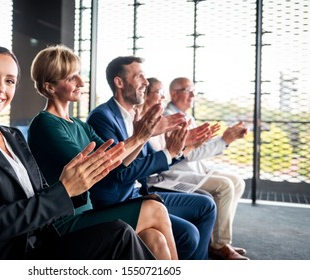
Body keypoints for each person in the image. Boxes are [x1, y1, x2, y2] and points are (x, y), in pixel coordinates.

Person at [0, 45, 156, 260]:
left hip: (39, 240)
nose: (0, 88)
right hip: (9, 254)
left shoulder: (12, 136)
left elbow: (40, 192)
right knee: (119, 236)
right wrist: (66, 189)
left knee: (120, 233)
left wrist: (72, 185)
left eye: (9, 81)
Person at [28, 45, 178, 260]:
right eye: (71, 78)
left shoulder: (79, 125)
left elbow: (117, 160)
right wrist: (139, 137)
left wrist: (143, 136)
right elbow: (96, 164)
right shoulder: (45, 124)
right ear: (50, 87)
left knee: (155, 237)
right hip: (62, 222)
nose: (81, 82)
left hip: (87, 212)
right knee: (155, 209)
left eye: (79, 75)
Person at [86, 56, 217, 260]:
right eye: (139, 76)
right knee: (189, 234)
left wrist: (180, 148)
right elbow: (122, 172)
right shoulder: (102, 117)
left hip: (140, 193)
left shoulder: (136, 116)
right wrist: (165, 149)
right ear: (119, 83)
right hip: (119, 200)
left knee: (206, 206)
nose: (146, 83)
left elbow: (146, 162)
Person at [163, 76, 249, 260]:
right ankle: (219, 245)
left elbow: (198, 146)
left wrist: (226, 138)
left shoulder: (187, 116)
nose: (193, 94)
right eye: (188, 90)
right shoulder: (170, 117)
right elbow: (189, 152)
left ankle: (218, 239)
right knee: (225, 185)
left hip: (194, 169)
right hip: (174, 174)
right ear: (173, 93)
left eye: (194, 90)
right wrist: (223, 141)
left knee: (238, 182)